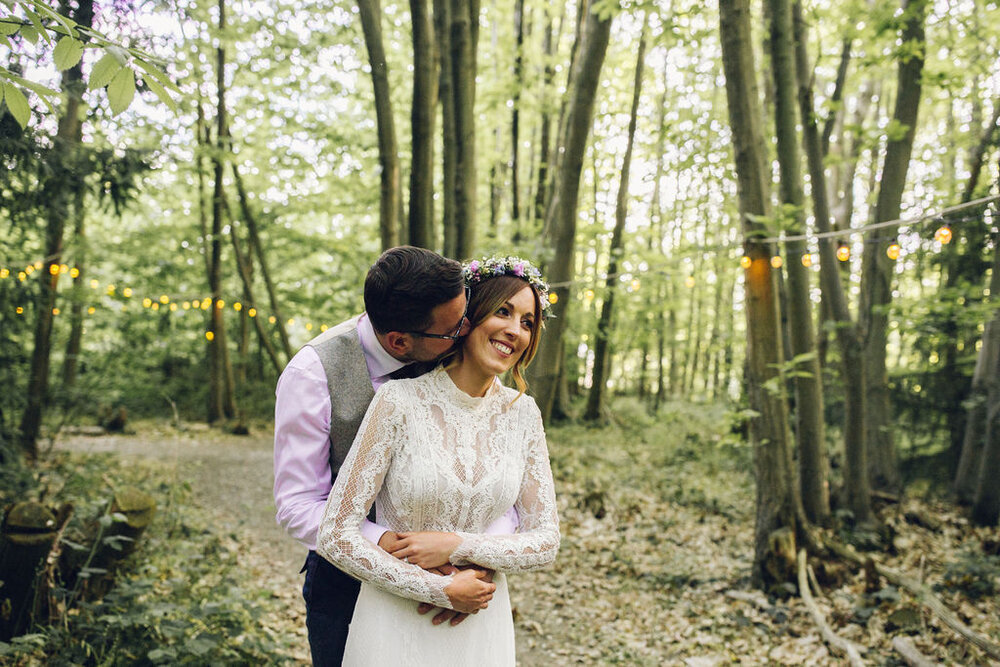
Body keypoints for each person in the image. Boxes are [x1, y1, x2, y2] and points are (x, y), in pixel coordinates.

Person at [273, 246, 517, 666]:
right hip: (347, 586)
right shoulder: (312, 375)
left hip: (460, 585)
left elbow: (500, 475)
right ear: (399, 341)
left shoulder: (457, 354)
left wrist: (474, 555)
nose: (466, 331)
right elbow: (297, 504)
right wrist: (389, 546)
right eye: (453, 328)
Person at [317, 255, 560, 666]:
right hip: (393, 625)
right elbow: (335, 534)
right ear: (469, 317)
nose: (514, 330)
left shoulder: (523, 415)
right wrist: (438, 590)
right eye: (503, 311)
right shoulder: (398, 402)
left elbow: (545, 540)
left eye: (527, 322)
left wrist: (462, 547)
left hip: (480, 625)